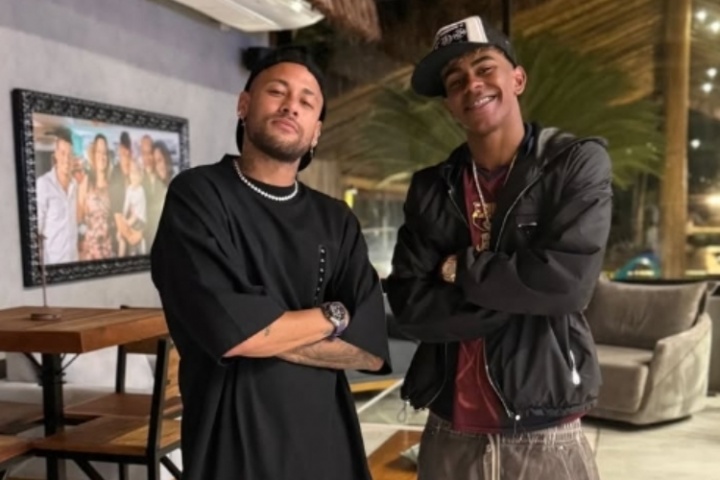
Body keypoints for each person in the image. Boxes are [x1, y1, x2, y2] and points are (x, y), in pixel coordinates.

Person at [385, 15, 612, 480]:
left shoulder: (572, 163)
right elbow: (409, 305)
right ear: (450, 104)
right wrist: (518, 294)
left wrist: (457, 270)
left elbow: (566, 286)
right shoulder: (432, 188)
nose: (472, 85)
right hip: (448, 426)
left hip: (544, 430)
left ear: (517, 79)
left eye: (485, 68)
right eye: (455, 81)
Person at [150, 46, 391, 480]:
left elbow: (369, 351)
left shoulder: (336, 219)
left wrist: (260, 332)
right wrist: (334, 315)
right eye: (277, 92)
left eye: (306, 102)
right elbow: (230, 333)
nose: (290, 106)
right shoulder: (199, 196)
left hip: (327, 444)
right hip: (231, 441)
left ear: (316, 132)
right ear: (244, 105)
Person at [36, 126, 78, 264]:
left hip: (74, 262)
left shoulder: (75, 186)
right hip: (52, 265)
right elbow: (36, 230)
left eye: (70, 154)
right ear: (56, 154)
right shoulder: (43, 184)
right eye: (63, 153)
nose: (66, 159)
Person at [116, 160, 146, 256]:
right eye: (132, 173)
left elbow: (137, 214)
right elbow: (126, 206)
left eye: (137, 174)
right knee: (123, 234)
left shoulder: (140, 191)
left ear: (140, 177)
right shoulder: (129, 189)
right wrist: (123, 220)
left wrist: (126, 224)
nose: (134, 177)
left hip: (140, 221)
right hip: (132, 219)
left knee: (132, 237)